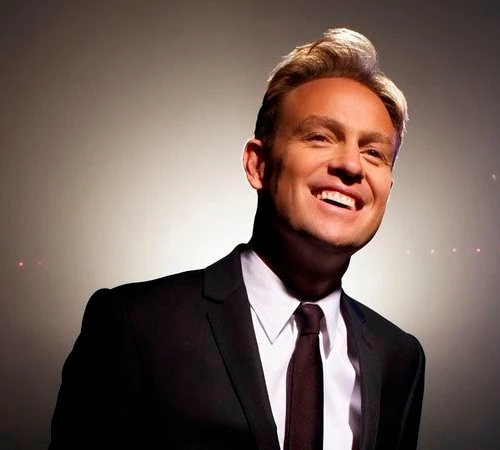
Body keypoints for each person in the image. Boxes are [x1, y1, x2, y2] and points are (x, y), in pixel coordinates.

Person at [49, 28, 425, 450]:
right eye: (320, 137)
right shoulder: (136, 326)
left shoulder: (399, 358)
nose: (352, 166)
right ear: (257, 164)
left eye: (374, 152)